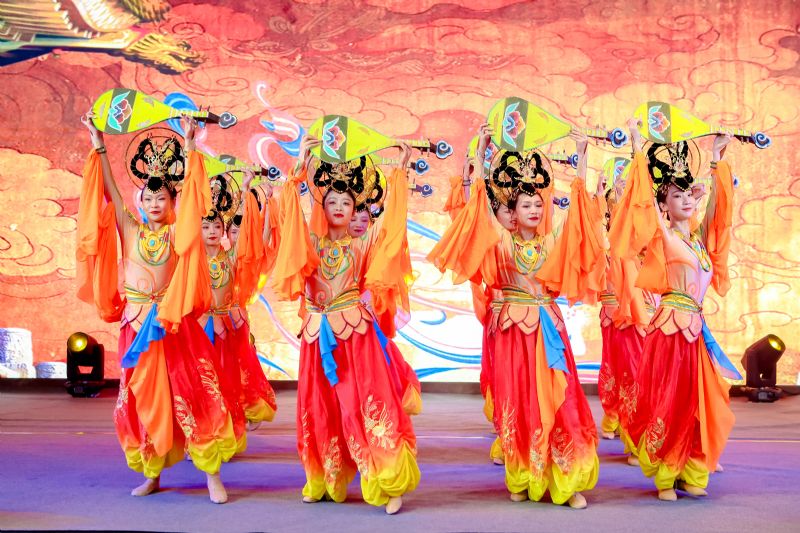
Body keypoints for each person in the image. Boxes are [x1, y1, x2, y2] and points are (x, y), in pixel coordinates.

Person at [428, 127, 602, 509]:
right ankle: (522, 474)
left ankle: (564, 481)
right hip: (510, 331)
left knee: (556, 400)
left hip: (546, 330)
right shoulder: (502, 241)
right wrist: (480, 154)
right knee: (517, 401)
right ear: (512, 211)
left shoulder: (551, 241)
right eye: (526, 205)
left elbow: (578, 215)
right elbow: (478, 212)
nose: (534, 210)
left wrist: (582, 155)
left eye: (538, 204)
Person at [77, 113, 236, 503]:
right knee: (142, 401)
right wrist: (99, 144)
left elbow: (195, 202)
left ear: (172, 202)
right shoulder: (129, 228)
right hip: (136, 328)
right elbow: (111, 193)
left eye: (160, 198)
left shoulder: (179, 232)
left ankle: (212, 475)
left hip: (174, 328)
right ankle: (152, 473)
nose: (153, 204)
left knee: (193, 395)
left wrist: (190, 145)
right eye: (147, 198)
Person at [271, 136, 420, 514]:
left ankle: (388, 481)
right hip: (316, 336)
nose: (338, 208)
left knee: (365, 403)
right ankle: (323, 477)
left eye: (346, 203)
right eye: (332, 202)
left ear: (356, 208)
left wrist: (400, 173)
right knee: (317, 407)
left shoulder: (363, 243)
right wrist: (299, 168)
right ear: (322, 206)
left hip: (356, 336)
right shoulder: (308, 243)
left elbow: (392, 230)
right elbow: (290, 216)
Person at [613, 119, 740, 501]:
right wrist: (638, 148)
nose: (686, 200)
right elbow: (641, 204)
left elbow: (719, 213)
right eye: (676, 195)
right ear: (664, 204)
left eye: (689, 194)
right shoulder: (663, 237)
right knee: (669, 401)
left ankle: (692, 469)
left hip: (695, 332)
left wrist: (716, 157)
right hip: (669, 332)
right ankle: (666, 474)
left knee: (698, 402)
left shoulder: (700, 241)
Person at [199, 171, 277, 449]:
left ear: (224, 230)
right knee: (201, 383)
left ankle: (227, 433)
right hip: (198, 329)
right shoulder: (191, 260)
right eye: (205, 226)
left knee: (227, 382)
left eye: (216, 227)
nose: (211, 231)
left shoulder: (231, 257)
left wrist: (246, 192)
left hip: (226, 329)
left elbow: (250, 235)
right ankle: (200, 436)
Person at [594, 158, 656, 465]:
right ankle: (626, 428)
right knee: (623, 371)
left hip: (651, 315)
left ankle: (644, 434)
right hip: (620, 314)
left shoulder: (652, 234)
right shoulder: (608, 240)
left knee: (645, 376)